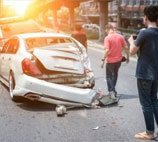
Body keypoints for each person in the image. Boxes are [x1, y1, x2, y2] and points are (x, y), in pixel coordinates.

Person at [128, 5, 158, 140]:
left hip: (144, 73)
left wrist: (130, 41)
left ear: (146, 17)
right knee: (154, 101)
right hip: (156, 73)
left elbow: (132, 51)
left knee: (146, 103)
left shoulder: (144, 33)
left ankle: (150, 133)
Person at [102, 24, 129, 99]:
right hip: (118, 61)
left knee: (109, 76)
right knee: (115, 74)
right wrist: (128, 57)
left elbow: (107, 50)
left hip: (110, 61)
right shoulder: (120, 36)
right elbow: (126, 47)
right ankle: (113, 91)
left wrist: (103, 59)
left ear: (107, 29)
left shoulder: (107, 38)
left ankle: (112, 91)